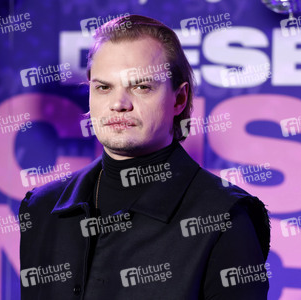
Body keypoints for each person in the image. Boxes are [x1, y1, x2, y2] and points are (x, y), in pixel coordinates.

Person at [20, 14, 270, 299]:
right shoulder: (42, 208)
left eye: (141, 87)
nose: (118, 104)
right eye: (104, 87)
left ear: (179, 99)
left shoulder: (225, 217)